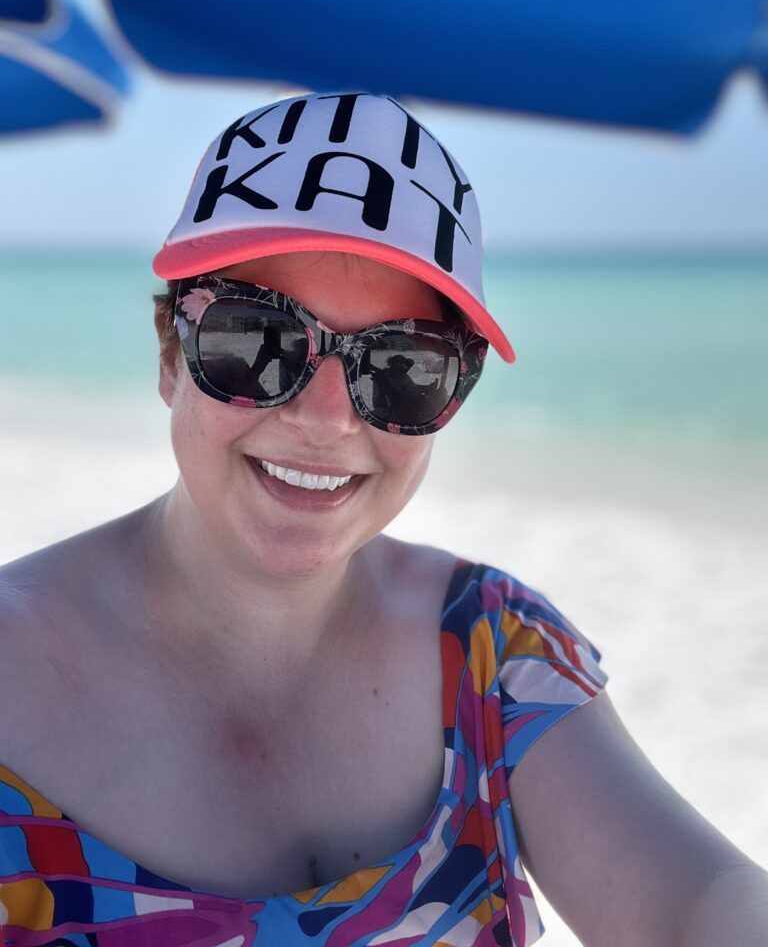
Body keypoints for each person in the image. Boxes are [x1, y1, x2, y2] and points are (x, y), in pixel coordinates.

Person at [0, 92, 765, 947]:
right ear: (172, 355)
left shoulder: (495, 651)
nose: (328, 420)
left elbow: (700, 901)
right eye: (257, 339)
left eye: (403, 365)